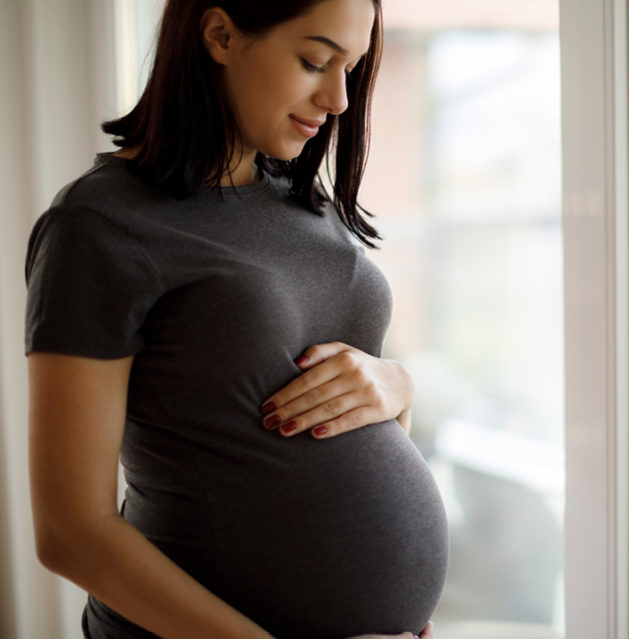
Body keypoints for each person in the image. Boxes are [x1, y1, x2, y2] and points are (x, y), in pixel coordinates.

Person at [23, 0, 449, 637]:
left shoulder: (303, 201)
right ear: (221, 34)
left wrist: (396, 386)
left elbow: (333, 421)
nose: (338, 99)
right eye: (314, 61)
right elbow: (71, 533)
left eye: (351, 70)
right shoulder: (99, 227)